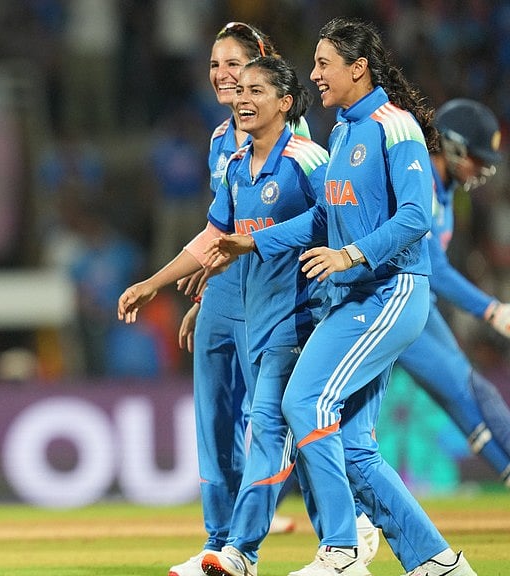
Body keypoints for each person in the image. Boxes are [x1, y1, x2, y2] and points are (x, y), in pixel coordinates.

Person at [207, 17, 476, 576]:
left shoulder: (393, 127)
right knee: (353, 447)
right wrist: (250, 241)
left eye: (324, 64)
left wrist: (349, 256)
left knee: (303, 402)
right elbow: (323, 217)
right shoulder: (344, 132)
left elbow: (415, 217)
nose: (314, 74)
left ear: (358, 68)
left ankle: (343, 550)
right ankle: (436, 562)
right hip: (355, 297)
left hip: (390, 292)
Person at [162, 22, 376, 576]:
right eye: (215, 66)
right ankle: (230, 541)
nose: (224, 78)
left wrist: (343, 277)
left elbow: (333, 217)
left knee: (278, 421)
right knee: (224, 419)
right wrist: (199, 288)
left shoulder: (301, 145)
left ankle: (333, 532)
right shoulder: (223, 148)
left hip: (291, 299)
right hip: (235, 290)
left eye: (236, 67)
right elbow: (223, 231)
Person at [119, 53, 328, 576]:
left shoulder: (308, 159)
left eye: (255, 89)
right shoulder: (234, 165)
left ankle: (249, 549)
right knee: (278, 432)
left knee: (269, 429)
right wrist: (155, 284)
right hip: (255, 313)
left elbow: (340, 222)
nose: (241, 97)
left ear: (285, 102)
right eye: (239, 89)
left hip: (300, 316)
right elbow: (217, 240)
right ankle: (333, 543)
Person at [396, 98, 510, 486]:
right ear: (455, 146)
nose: (482, 169)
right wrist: (491, 310)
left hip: (419, 307)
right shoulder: (422, 180)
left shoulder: (444, 192)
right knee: (469, 395)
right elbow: (435, 269)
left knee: (469, 397)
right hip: (397, 309)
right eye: (477, 158)